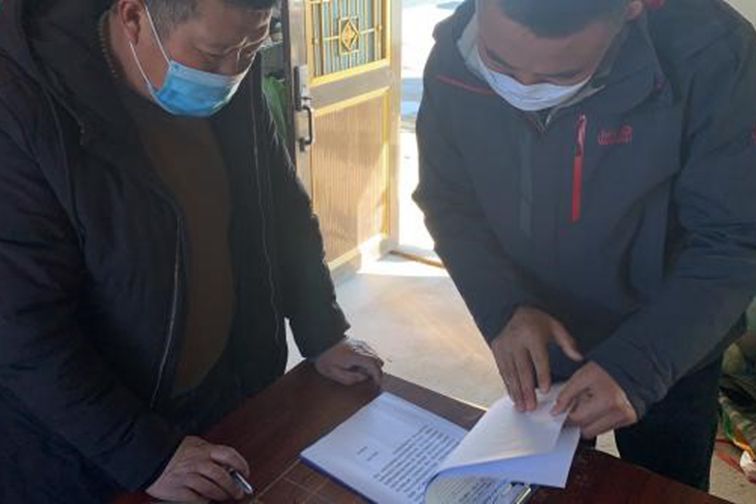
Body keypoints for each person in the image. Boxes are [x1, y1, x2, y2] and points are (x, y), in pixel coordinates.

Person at [0, 0, 384, 502]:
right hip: (91, 443)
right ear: (134, 18)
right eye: (213, 53)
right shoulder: (25, 105)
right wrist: (146, 452)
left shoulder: (230, 65)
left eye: (251, 48)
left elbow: (281, 209)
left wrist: (323, 330)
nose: (231, 74)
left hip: (220, 397)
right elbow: (22, 328)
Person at [414, 0, 756, 491]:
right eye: (499, 62)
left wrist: (641, 366)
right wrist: (502, 306)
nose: (524, 89)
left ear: (630, 9)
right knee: (547, 486)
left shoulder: (714, 56)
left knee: (663, 487)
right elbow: (448, 200)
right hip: (543, 334)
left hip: (673, 339)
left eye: (562, 75)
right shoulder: (453, 54)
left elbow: (733, 238)